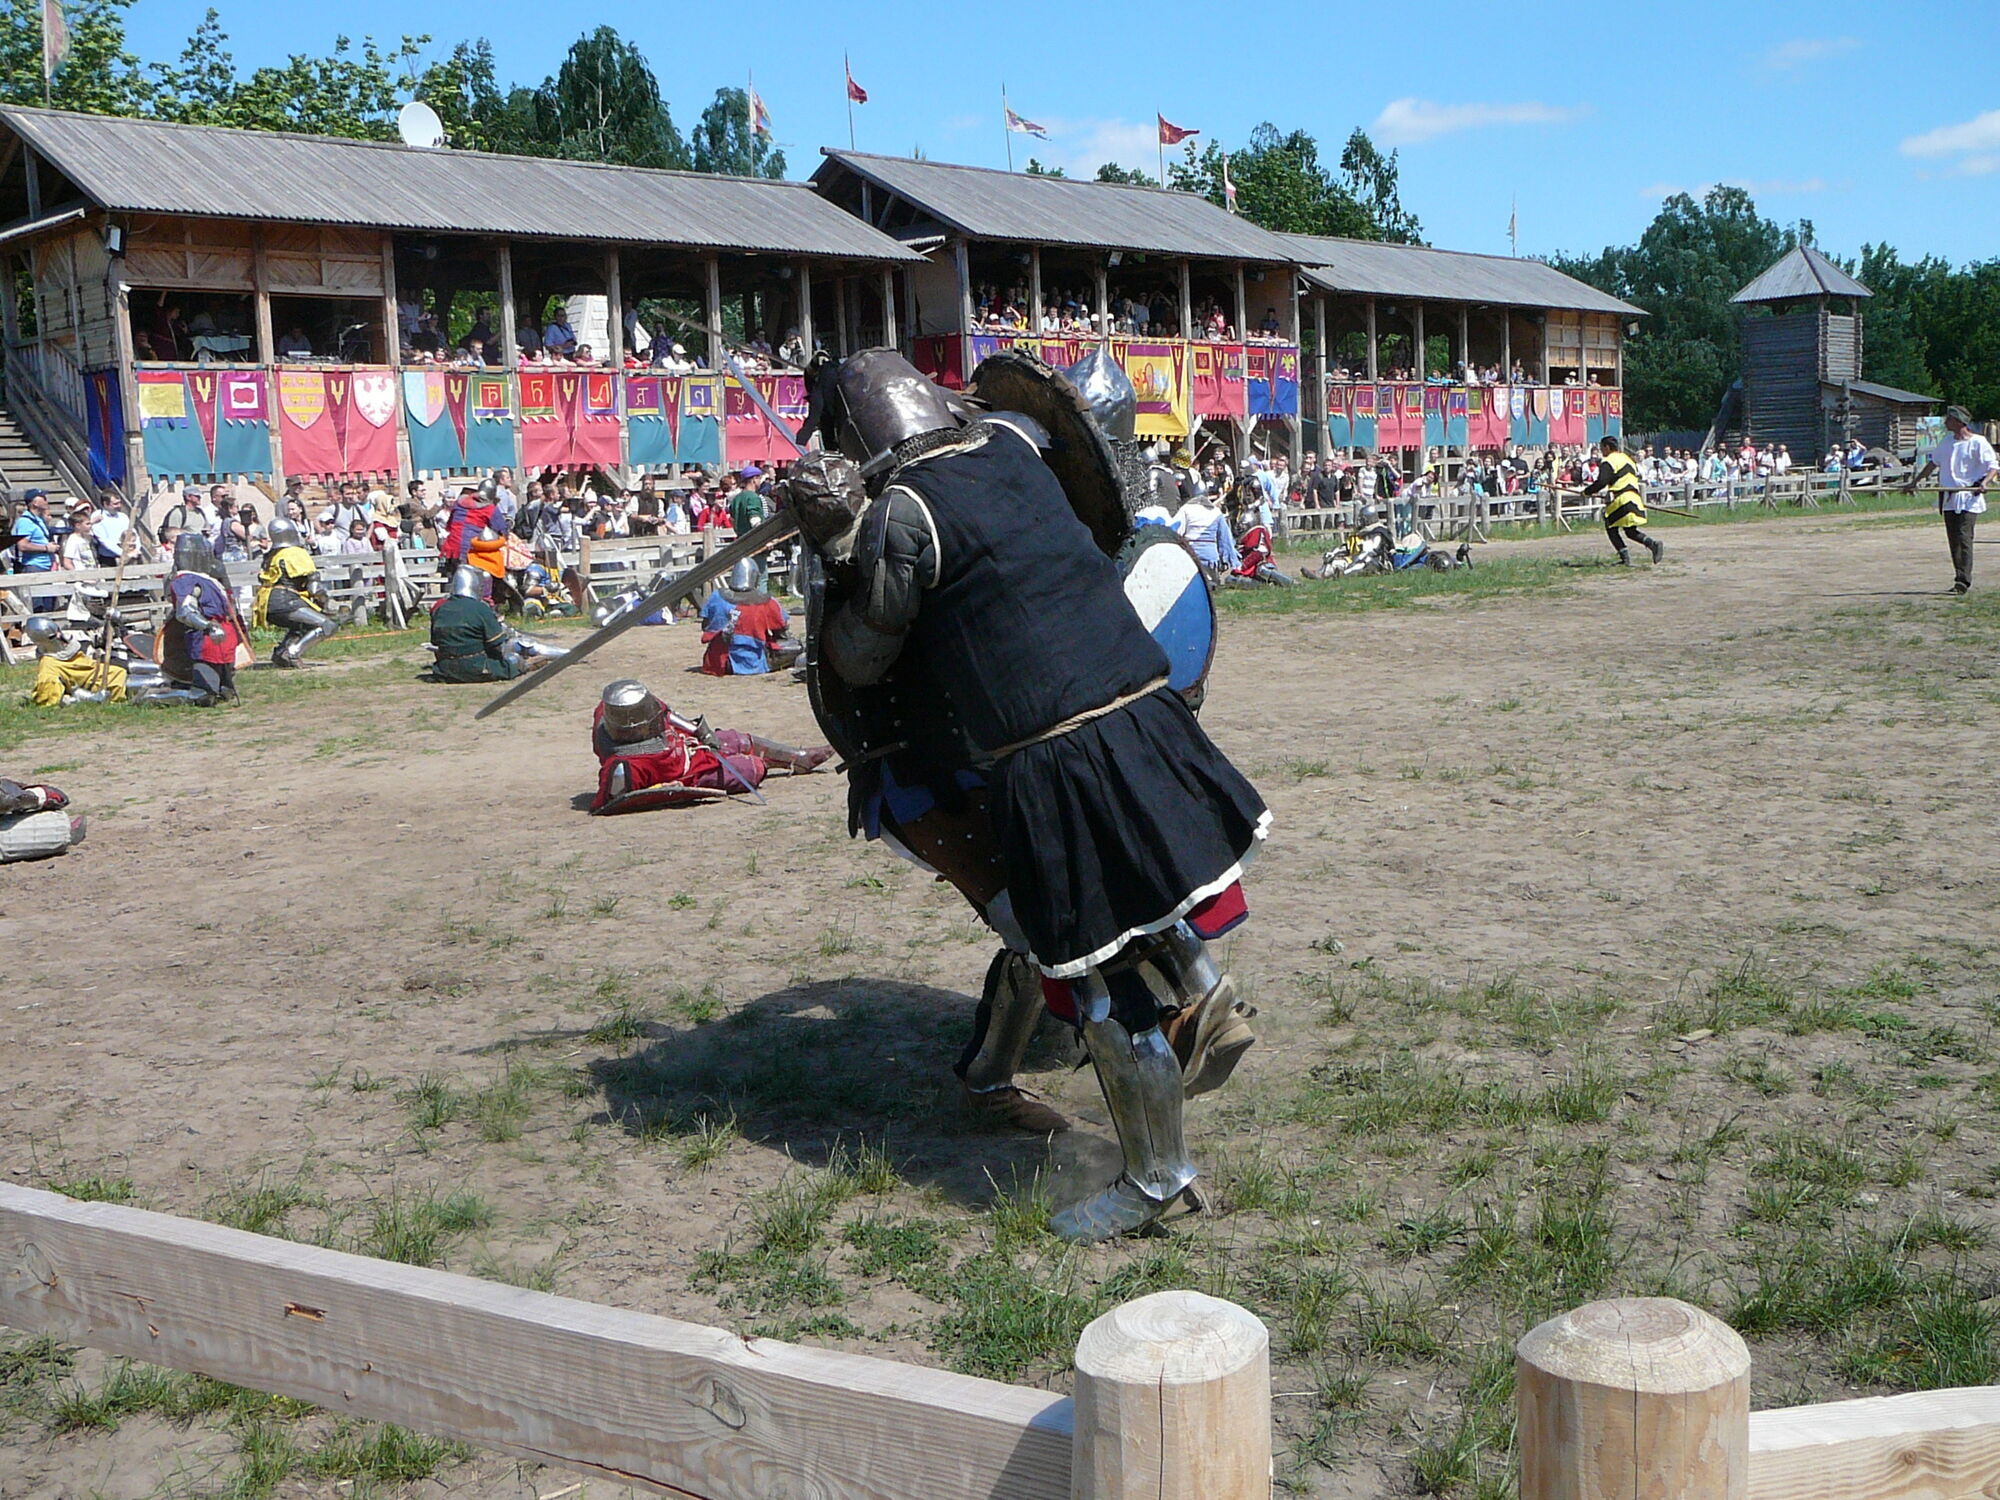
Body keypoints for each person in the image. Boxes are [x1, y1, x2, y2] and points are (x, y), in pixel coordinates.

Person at [799, 350, 1269, 1242]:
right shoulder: (1016, 448)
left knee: (1096, 979)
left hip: (1053, 750)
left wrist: (835, 542)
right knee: (1147, 911)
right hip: (1144, 714)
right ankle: (1208, 999)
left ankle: (1154, 1178)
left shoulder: (903, 510)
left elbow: (861, 658)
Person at [590, 679, 830, 813]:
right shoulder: (622, 766)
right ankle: (775, 764)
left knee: (737, 740)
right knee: (751, 768)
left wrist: (703, 735)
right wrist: (673, 788)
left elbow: (667, 714)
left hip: (688, 746)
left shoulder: (626, 708)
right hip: (690, 775)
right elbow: (617, 800)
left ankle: (799, 757)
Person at [1905, 405, 1996, 595]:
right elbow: (1932, 464)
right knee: (1954, 540)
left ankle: (1963, 581)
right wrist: (1914, 482)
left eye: (1949, 419)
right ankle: (1959, 576)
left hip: (1968, 497)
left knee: (1963, 538)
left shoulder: (1978, 442)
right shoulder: (1947, 442)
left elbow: (1993, 466)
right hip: (1949, 498)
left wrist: (1985, 482)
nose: (1946, 422)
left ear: (1959, 422)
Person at [428, 565, 564, 682]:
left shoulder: (440, 609)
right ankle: (555, 658)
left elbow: (436, 644)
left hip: (444, 670)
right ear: (474, 585)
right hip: (477, 668)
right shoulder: (480, 608)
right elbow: (498, 646)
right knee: (513, 659)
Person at [159, 532, 240, 705]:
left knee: (226, 691)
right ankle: (152, 697)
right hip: (205, 637)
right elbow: (186, 612)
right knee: (204, 695)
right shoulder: (186, 580)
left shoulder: (206, 579)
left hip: (221, 636)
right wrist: (208, 626)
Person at [255, 518, 338, 667]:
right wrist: (325, 604)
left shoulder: (271, 555)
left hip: (266, 603)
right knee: (327, 625)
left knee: (301, 625)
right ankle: (292, 653)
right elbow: (314, 588)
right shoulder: (296, 553)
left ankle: (281, 653)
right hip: (286, 601)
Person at [699, 559, 796, 675]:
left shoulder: (717, 596)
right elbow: (782, 632)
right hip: (753, 662)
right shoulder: (767, 601)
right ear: (755, 577)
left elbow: (706, 626)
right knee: (794, 646)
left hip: (719, 663)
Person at [1577, 436, 1663, 566]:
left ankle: (1625, 558)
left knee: (1611, 526)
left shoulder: (1609, 461)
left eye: (1602, 448)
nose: (1601, 451)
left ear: (1607, 447)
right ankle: (1652, 544)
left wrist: (1586, 492)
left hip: (1622, 499)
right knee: (1630, 531)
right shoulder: (1628, 459)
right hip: (1633, 498)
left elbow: (1601, 482)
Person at [23, 615, 126, 705]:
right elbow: (47, 696)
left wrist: (110, 623)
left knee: (122, 671)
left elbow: (97, 640)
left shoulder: (69, 644)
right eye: (54, 635)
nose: (59, 636)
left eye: (58, 631)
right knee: (127, 684)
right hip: (93, 685)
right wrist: (89, 698)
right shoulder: (48, 665)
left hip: (97, 672)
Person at [11, 491, 59, 606]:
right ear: (35, 503)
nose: (46, 500)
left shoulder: (39, 520)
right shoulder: (25, 522)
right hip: (34, 566)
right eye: (43, 498)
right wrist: (46, 548)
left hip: (45, 566)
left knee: (48, 604)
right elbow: (22, 545)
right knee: (38, 605)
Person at [727, 467, 767, 534]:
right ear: (754, 479)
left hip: (741, 537)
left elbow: (732, 521)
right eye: (759, 478)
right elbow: (755, 519)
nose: (760, 481)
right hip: (753, 537)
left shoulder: (736, 499)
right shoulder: (753, 497)